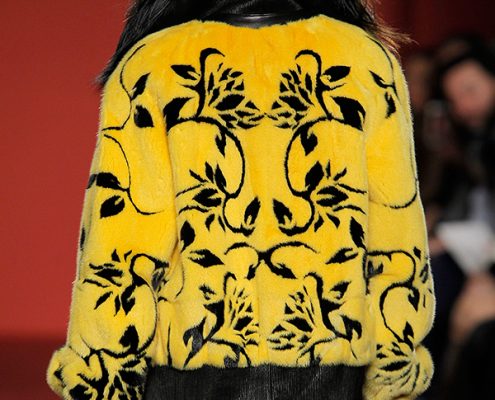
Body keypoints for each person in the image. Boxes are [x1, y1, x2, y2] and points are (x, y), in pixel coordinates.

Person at [46, 1, 435, 399]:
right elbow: (396, 226)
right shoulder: (363, 60)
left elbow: (124, 239)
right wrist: (395, 359)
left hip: (196, 352)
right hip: (330, 353)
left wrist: (103, 372)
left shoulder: (153, 66)